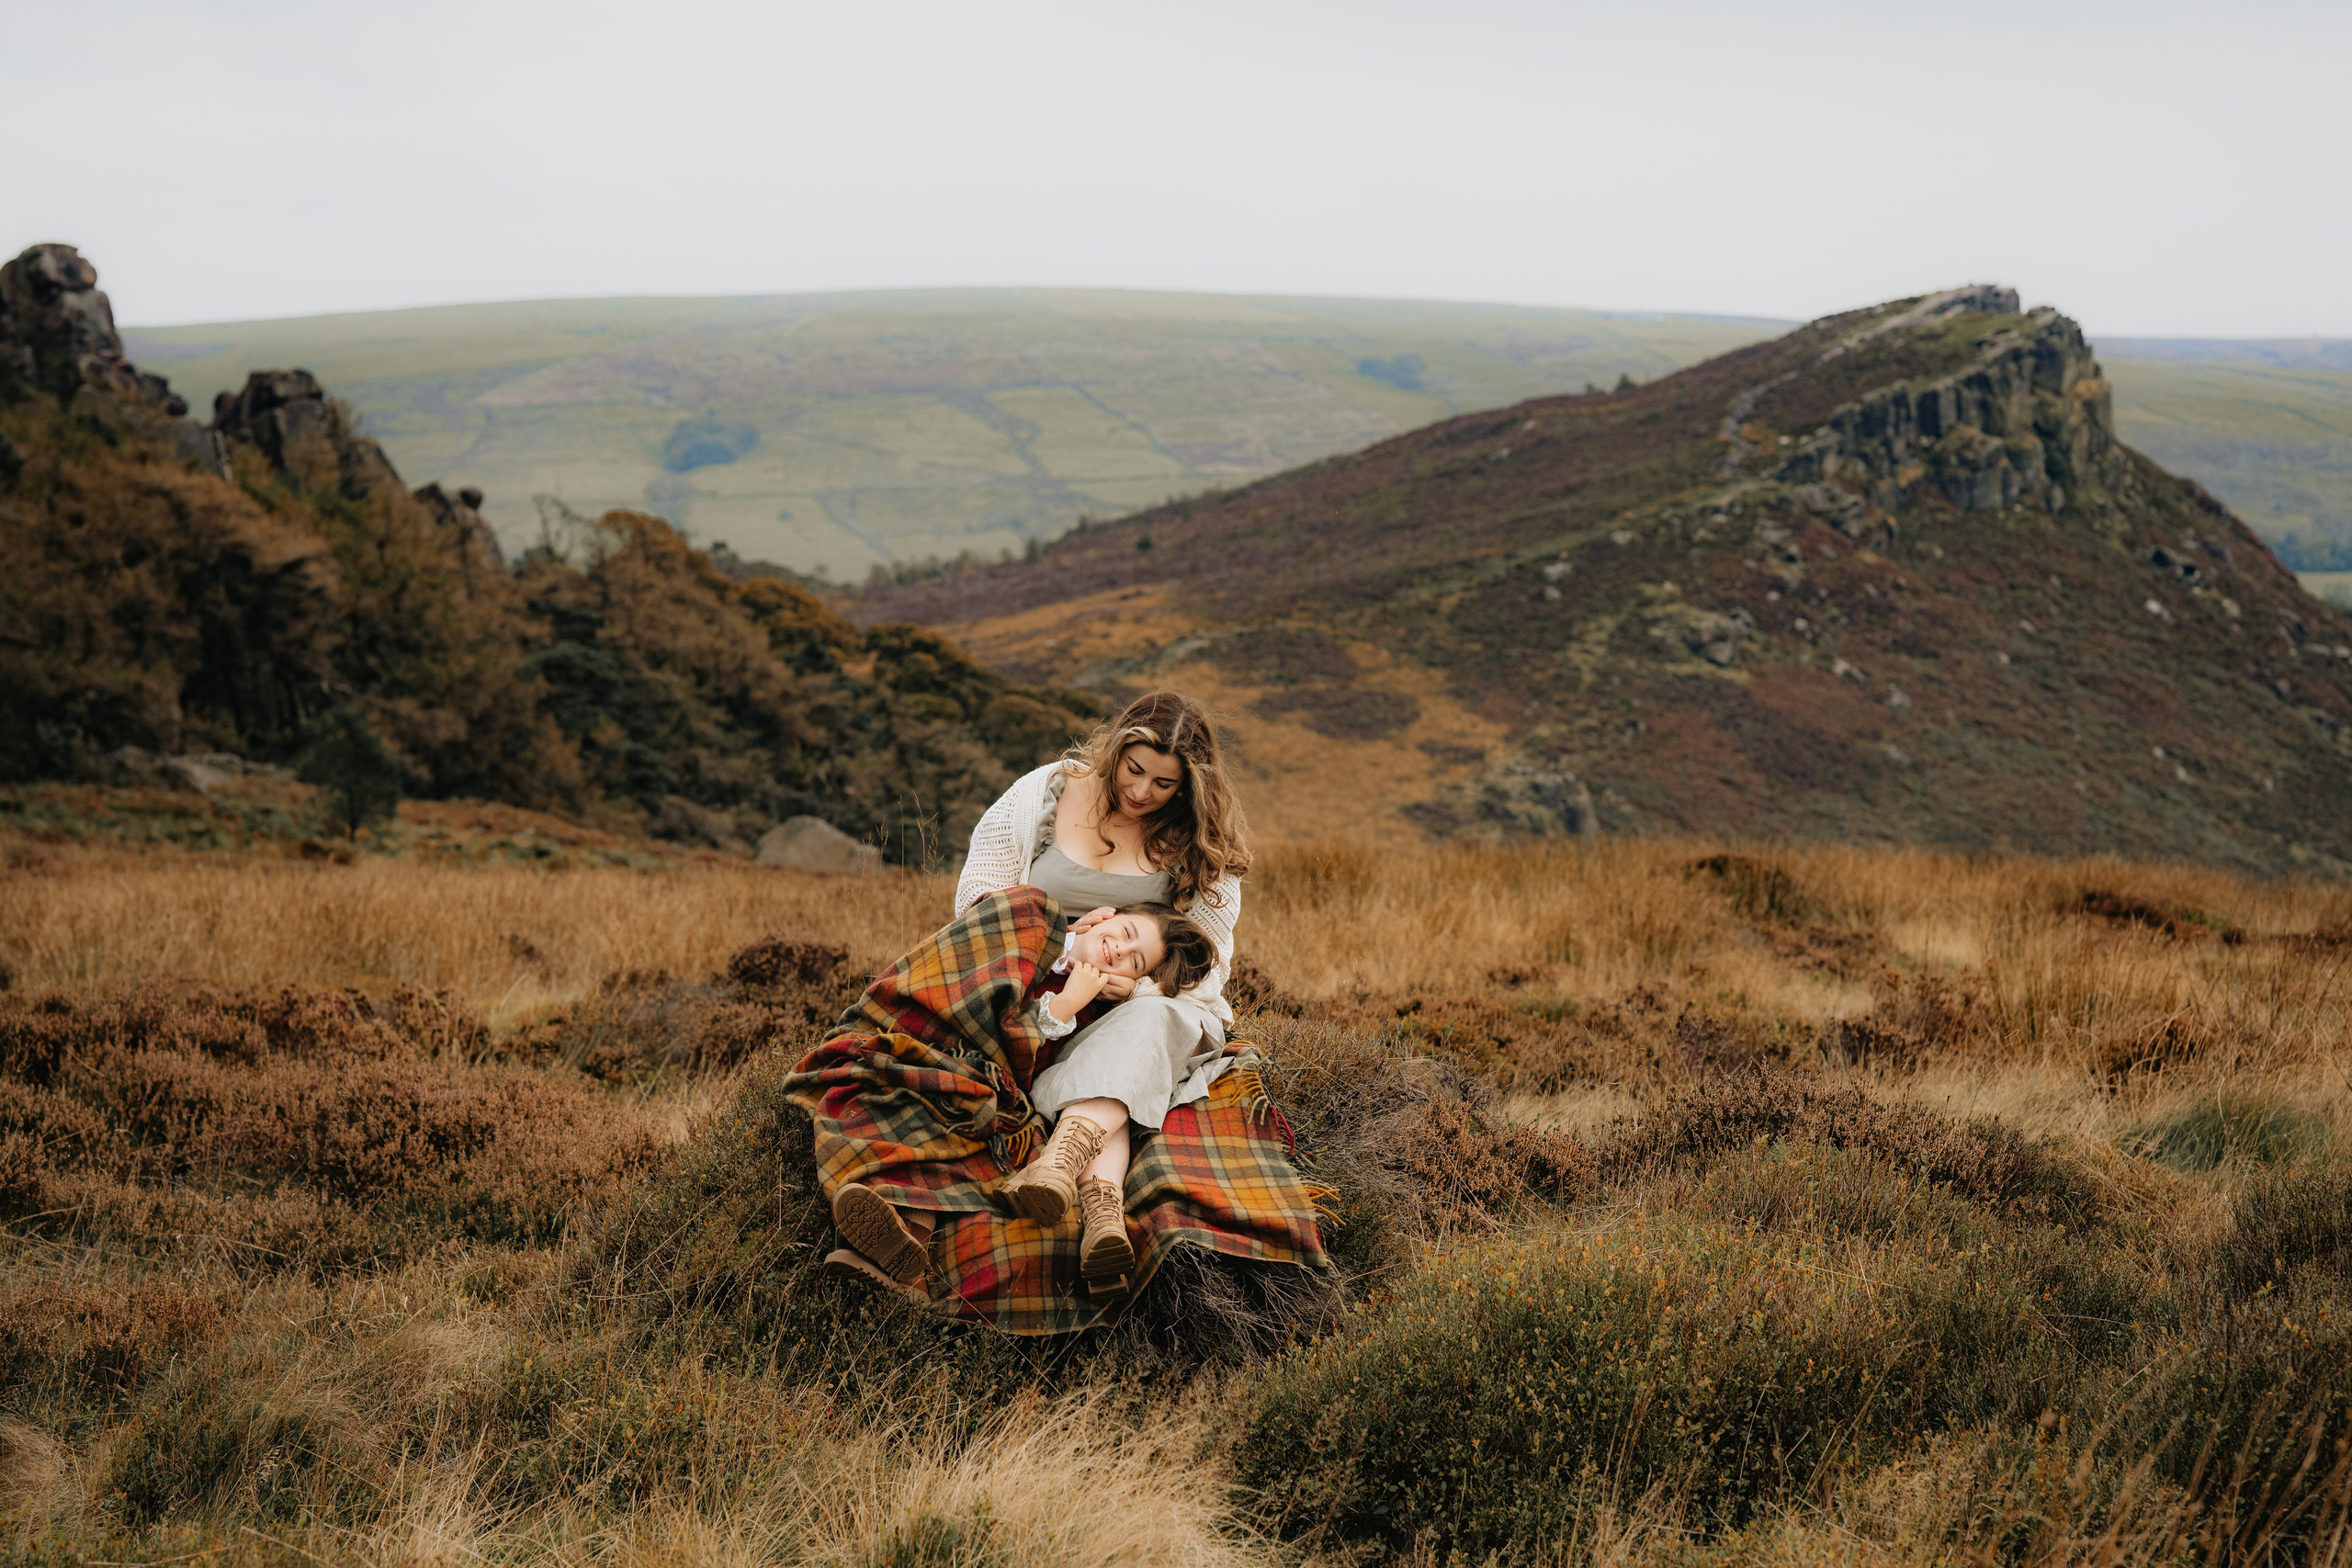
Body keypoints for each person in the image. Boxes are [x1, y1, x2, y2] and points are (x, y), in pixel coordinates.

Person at [953, 690, 1251, 1254]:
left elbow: (1206, 968)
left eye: (1164, 784)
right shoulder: (1042, 793)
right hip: (1022, 986)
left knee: (1155, 1017)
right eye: (1133, 770)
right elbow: (975, 909)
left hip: (1123, 1011)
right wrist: (1059, 948)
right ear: (1115, 748)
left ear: (1189, 787)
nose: (1141, 793)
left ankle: (1072, 1180)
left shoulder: (1199, 844)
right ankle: (1089, 1197)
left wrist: (1133, 986)